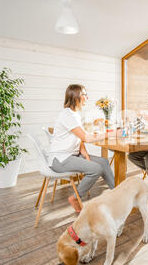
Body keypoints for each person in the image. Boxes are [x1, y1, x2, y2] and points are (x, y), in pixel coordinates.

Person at [48, 84, 115, 213]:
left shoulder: (74, 114)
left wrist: (86, 155)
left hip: (71, 155)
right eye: (84, 94)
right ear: (76, 97)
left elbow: (79, 139)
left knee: (104, 162)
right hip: (60, 159)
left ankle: (116, 193)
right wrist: (112, 134)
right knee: (96, 168)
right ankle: (75, 197)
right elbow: (86, 138)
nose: (87, 97)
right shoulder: (68, 115)